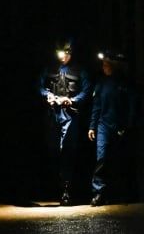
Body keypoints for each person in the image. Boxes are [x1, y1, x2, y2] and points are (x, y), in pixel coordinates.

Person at [39, 40, 91, 206]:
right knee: (52, 150)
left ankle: (66, 190)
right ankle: (55, 186)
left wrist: (72, 100)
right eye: (59, 54)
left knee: (67, 150)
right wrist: (47, 95)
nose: (62, 58)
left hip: (70, 115)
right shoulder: (49, 68)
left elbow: (87, 90)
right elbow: (39, 85)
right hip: (52, 115)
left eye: (65, 54)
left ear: (70, 53)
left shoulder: (80, 70)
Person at [88, 51, 137, 206]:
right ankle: (99, 192)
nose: (104, 67)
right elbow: (96, 106)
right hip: (103, 126)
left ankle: (125, 192)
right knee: (101, 158)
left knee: (122, 159)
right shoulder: (101, 83)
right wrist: (92, 126)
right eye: (103, 65)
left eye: (107, 65)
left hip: (119, 126)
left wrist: (128, 125)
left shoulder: (124, 83)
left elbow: (132, 106)